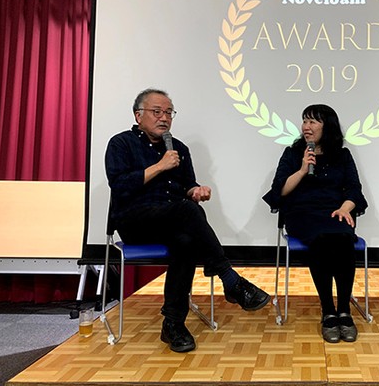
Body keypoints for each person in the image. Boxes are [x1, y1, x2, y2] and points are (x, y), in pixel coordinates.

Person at [105, 88, 270, 353]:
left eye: (169, 113)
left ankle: (173, 324)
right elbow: (120, 186)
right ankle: (230, 278)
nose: (164, 118)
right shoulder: (121, 144)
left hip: (171, 221)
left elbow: (187, 185)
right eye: (157, 112)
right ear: (138, 115)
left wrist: (195, 190)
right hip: (135, 221)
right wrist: (160, 166)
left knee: (186, 242)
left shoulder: (179, 148)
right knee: (187, 211)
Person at [263, 104, 368, 343]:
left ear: (326, 126)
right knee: (321, 239)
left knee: (343, 238)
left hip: (335, 211)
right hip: (302, 213)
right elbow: (280, 190)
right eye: (304, 121)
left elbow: (354, 188)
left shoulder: (342, 155)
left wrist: (345, 208)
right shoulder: (293, 153)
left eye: (312, 121)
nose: (306, 127)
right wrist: (302, 170)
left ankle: (344, 310)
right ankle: (328, 310)